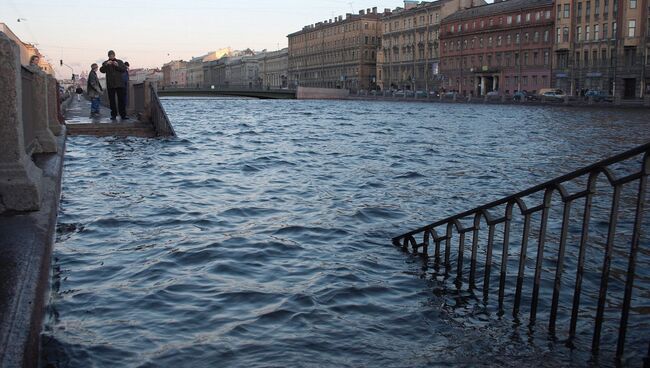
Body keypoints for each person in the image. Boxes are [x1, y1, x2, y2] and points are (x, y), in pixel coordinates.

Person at [99, 50, 128, 120]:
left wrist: (117, 65)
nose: (111, 56)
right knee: (112, 100)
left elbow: (124, 69)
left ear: (114, 55)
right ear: (108, 56)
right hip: (110, 84)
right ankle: (113, 115)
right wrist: (106, 65)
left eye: (112, 55)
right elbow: (101, 70)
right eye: (110, 55)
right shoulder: (105, 63)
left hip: (119, 84)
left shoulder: (119, 62)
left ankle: (123, 115)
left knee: (121, 100)